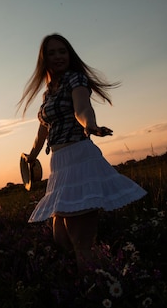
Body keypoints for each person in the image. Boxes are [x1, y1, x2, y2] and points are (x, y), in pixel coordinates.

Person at [18, 33, 147, 271]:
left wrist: (90, 125)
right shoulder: (48, 93)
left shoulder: (76, 80)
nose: (58, 56)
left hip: (79, 158)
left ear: (70, 55)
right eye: (52, 53)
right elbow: (42, 131)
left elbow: (82, 108)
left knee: (81, 243)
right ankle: (109, 272)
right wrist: (32, 155)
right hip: (59, 165)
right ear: (44, 59)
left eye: (62, 51)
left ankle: (101, 285)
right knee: (61, 238)